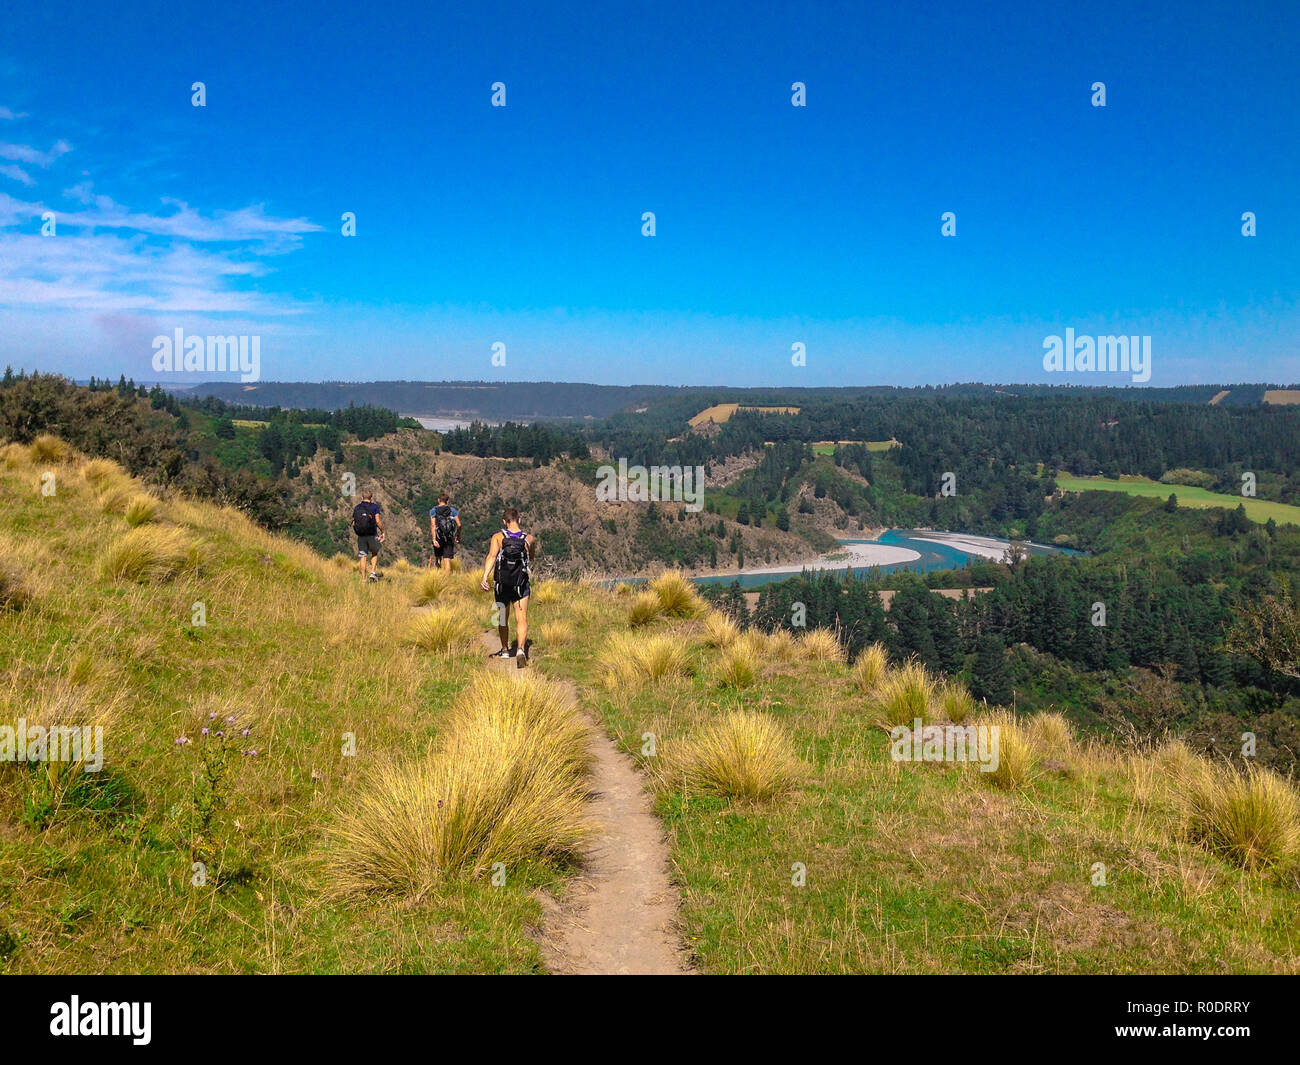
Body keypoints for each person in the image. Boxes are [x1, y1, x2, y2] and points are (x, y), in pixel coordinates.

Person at [481, 507, 536, 667]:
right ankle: (520, 649)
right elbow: (531, 558)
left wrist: (485, 577)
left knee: (503, 617)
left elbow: (491, 557)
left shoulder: (498, 537)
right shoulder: (529, 538)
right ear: (519, 519)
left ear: (504, 522)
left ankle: (505, 650)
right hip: (521, 584)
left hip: (502, 584)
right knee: (521, 617)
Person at [352, 490, 385, 582]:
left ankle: (363, 579)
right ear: (371, 498)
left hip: (361, 535)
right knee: (374, 551)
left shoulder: (357, 508)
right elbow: (378, 521)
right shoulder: (374, 507)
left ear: (362, 498)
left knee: (363, 556)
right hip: (372, 534)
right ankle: (373, 572)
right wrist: (382, 531)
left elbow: (354, 522)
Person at [429, 493, 461, 573]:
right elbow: (459, 525)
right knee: (447, 560)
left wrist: (434, 539)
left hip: (438, 537)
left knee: (438, 558)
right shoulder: (452, 510)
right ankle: (447, 581)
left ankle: (438, 580)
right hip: (449, 538)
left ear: (438, 500)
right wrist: (458, 535)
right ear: (447, 501)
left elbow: (433, 525)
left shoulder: (433, 511)